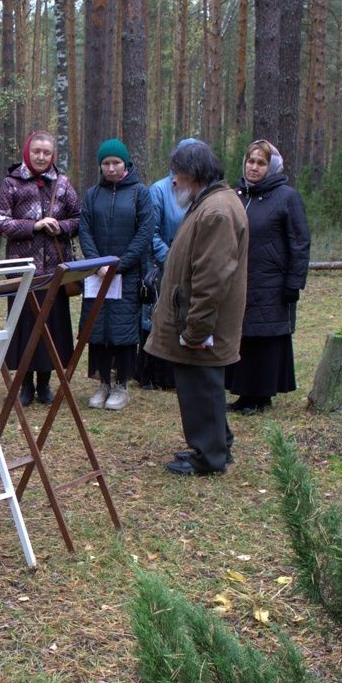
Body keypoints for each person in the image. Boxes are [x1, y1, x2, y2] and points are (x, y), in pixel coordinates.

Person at [143, 141, 248, 476]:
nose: (173, 181)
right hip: (196, 319)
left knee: (201, 388)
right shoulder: (210, 203)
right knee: (203, 388)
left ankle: (208, 457)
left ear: (195, 174)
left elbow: (212, 277)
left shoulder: (216, 210)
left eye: (178, 173)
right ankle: (217, 446)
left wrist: (196, 329)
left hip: (202, 325)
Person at [0, 130, 81, 405]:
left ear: (52, 155)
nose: (41, 157)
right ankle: (25, 385)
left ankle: (45, 383)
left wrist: (61, 226)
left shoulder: (63, 184)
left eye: (46, 152)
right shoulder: (12, 183)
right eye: (36, 152)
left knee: (52, 328)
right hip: (23, 271)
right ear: (27, 152)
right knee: (25, 327)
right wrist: (34, 226)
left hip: (55, 271)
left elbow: (79, 219)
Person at [226, 139, 311, 413]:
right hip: (240, 279)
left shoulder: (287, 197)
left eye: (260, 163)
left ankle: (261, 396)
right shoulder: (238, 195)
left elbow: (300, 241)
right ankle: (243, 393)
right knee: (244, 335)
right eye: (251, 161)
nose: (254, 167)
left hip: (272, 281)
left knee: (265, 337)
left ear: (271, 166)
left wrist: (294, 282)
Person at [79, 138, 155, 411]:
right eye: (106, 163)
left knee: (123, 333)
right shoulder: (92, 195)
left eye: (116, 163)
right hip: (97, 275)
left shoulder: (139, 193)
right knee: (97, 330)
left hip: (127, 275)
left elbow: (145, 232)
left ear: (126, 164)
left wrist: (119, 265)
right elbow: (84, 229)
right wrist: (97, 262)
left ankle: (122, 385)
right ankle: (103, 383)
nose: (111, 168)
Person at [137, 137, 199, 390]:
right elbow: (150, 232)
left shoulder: (203, 191)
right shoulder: (159, 190)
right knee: (160, 318)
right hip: (164, 265)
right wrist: (171, 259)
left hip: (196, 267)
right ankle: (155, 374)